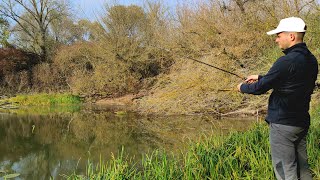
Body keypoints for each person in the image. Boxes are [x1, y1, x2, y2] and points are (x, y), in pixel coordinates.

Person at [237, 17, 318, 180]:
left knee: (285, 170)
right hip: (301, 122)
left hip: (283, 125)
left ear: (292, 36)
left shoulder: (285, 61)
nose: (276, 39)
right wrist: (260, 76)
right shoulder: (311, 60)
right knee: (303, 169)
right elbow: (290, 78)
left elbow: (261, 88)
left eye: (279, 35)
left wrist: (242, 87)